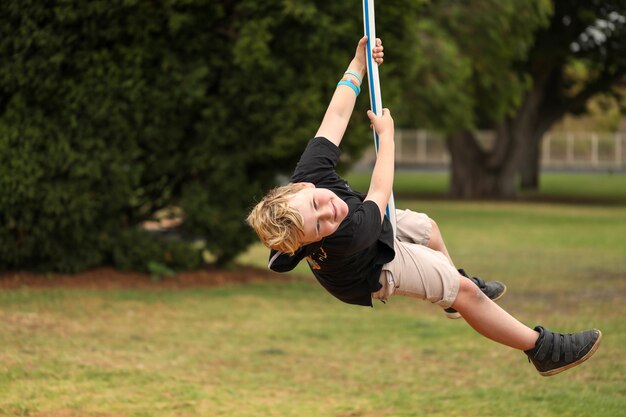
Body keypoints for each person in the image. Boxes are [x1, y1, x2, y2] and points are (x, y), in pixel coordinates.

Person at [246, 36, 602, 377]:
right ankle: (541, 349)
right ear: (313, 239)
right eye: (320, 225)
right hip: (372, 268)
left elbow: (335, 118)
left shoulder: (310, 171)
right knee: (466, 293)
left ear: (303, 185)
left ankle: (454, 292)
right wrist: (387, 136)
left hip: (368, 224)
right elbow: (380, 190)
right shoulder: (348, 234)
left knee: (428, 229)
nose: (330, 211)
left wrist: (357, 65)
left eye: (316, 203)